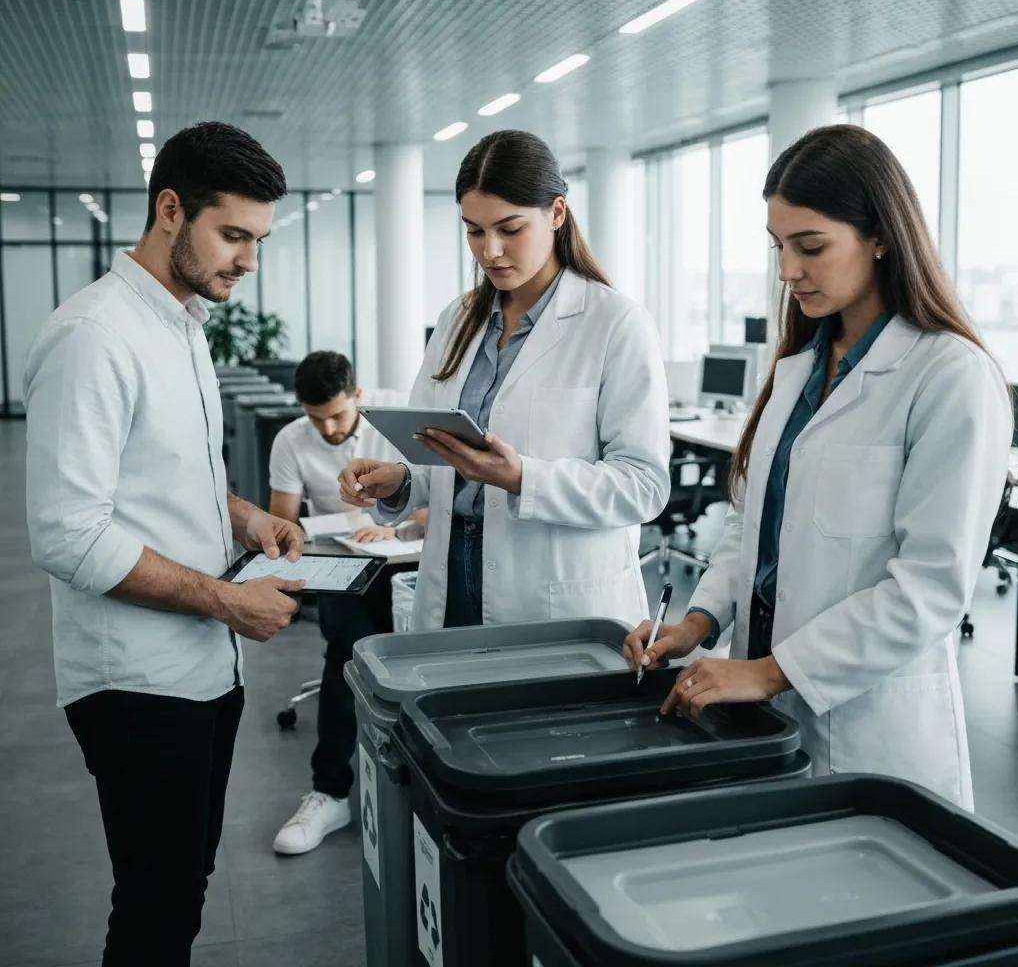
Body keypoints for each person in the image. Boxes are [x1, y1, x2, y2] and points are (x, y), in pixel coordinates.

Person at [623, 124, 1012, 809]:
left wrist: (773, 671)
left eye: (810, 247)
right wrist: (700, 622)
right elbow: (754, 525)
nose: (786, 271)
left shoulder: (949, 376)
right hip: (767, 713)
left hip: (868, 730)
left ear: (881, 237)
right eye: (778, 247)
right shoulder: (801, 366)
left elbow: (929, 590)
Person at [24, 122, 305, 966]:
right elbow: (68, 531)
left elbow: (169, 476)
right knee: (153, 907)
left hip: (202, 667)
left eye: (259, 240)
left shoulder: (181, 324)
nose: (248, 262)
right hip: (136, 683)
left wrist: (248, 520)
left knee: (181, 890)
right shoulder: (95, 337)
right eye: (234, 236)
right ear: (170, 210)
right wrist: (226, 597)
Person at [341, 129, 670, 629]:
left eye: (510, 229)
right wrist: (400, 483)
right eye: (474, 230)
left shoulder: (615, 324)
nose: (490, 250)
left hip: (557, 593)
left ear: (556, 214)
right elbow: (440, 455)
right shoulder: (458, 320)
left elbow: (643, 486)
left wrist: (522, 477)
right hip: (452, 574)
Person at [268, 350, 425, 855]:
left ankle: (419, 782)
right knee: (348, 650)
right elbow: (285, 524)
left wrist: (396, 519)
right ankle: (330, 791)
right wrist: (322, 536)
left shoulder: (393, 421)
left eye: (336, 413)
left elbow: (435, 498)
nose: (328, 427)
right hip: (344, 561)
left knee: (422, 653)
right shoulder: (291, 440)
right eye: (316, 417)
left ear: (357, 395)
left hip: (408, 553)